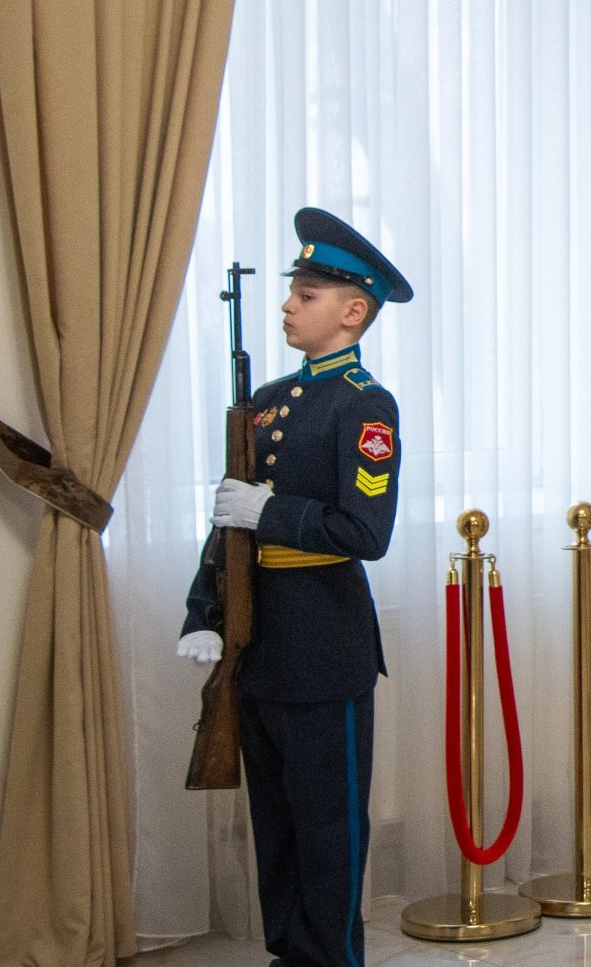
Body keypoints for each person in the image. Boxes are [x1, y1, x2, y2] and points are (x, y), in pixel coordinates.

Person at [177, 207, 413, 967]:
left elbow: (365, 532)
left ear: (353, 311)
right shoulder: (270, 399)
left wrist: (270, 511)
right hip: (260, 640)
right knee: (274, 819)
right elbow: (229, 521)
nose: (287, 305)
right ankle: (289, 951)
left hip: (322, 640)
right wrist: (203, 611)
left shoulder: (364, 404)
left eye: (306, 295)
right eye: (292, 291)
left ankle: (330, 957)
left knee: (328, 822)